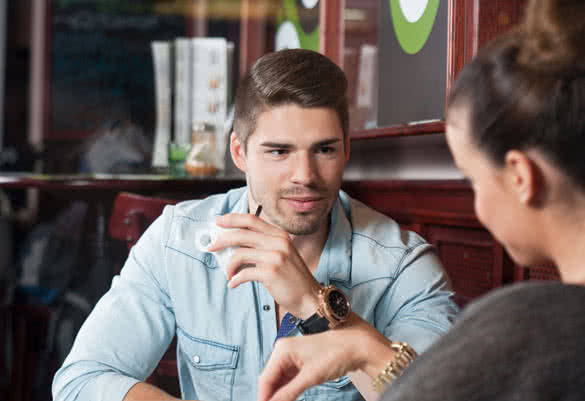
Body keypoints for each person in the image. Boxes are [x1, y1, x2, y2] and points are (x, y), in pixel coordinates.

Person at [52, 49, 458, 401]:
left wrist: (314, 306)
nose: (305, 175)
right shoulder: (177, 241)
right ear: (239, 152)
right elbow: (80, 381)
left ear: (346, 149)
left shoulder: (403, 264)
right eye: (278, 151)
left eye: (325, 149)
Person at [256, 1, 585, 400]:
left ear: (520, 176)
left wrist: (354, 341)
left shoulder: (526, 327)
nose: (303, 175)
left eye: (473, 179)